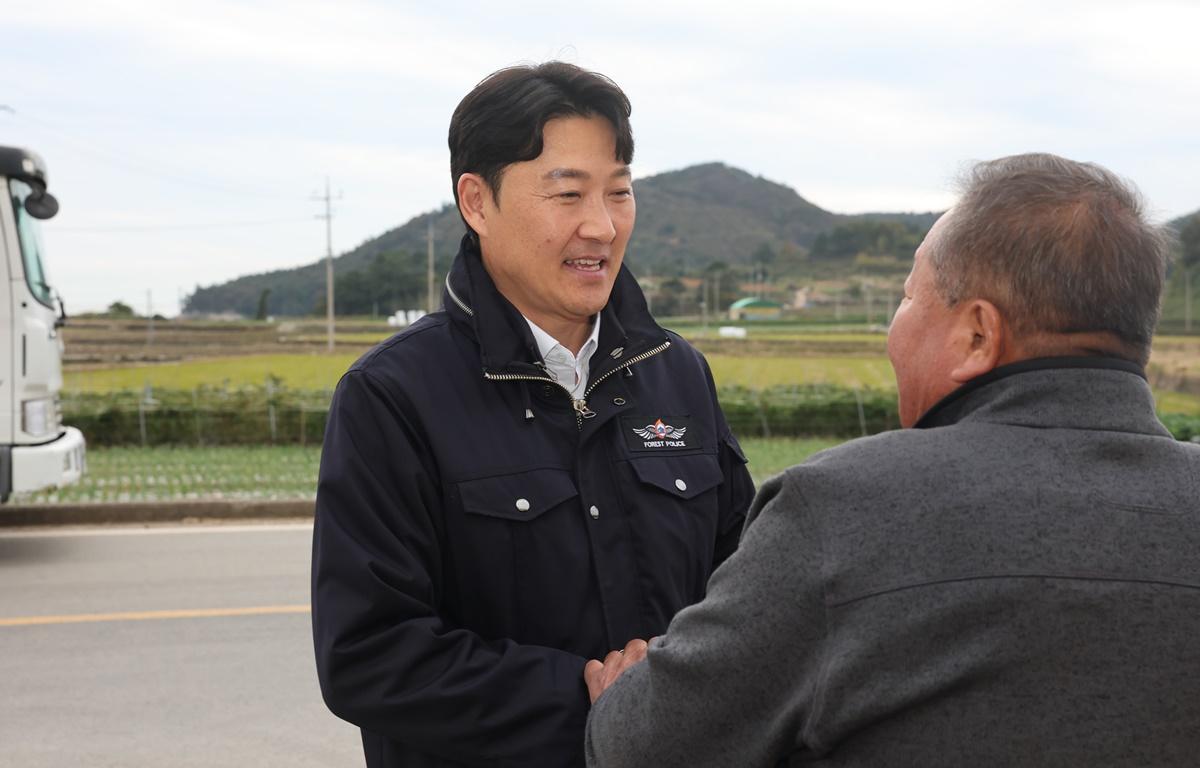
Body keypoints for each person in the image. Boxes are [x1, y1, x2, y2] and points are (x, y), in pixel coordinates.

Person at [584, 153, 1200, 767]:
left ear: (979, 336)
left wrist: (621, 698)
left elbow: (648, 746)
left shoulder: (843, 511)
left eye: (908, 299)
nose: (893, 331)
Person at [311, 61, 754, 768]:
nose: (602, 227)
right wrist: (589, 697)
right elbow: (369, 654)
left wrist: (679, 689)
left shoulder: (676, 374)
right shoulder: (394, 395)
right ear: (477, 201)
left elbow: (744, 587)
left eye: (619, 193)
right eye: (568, 194)